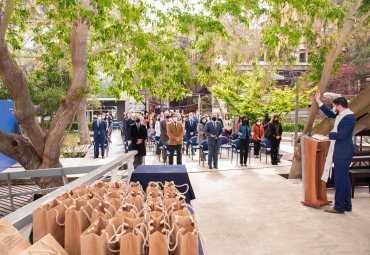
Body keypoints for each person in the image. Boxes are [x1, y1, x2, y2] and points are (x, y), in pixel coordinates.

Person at [315, 92, 355, 214]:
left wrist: (328, 135)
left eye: (334, 106)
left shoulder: (348, 117)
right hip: (341, 151)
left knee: (339, 180)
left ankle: (339, 207)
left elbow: (341, 136)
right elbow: (330, 113)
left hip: (343, 152)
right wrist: (318, 101)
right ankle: (347, 205)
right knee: (345, 179)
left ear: (339, 106)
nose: (334, 109)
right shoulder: (341, 114)